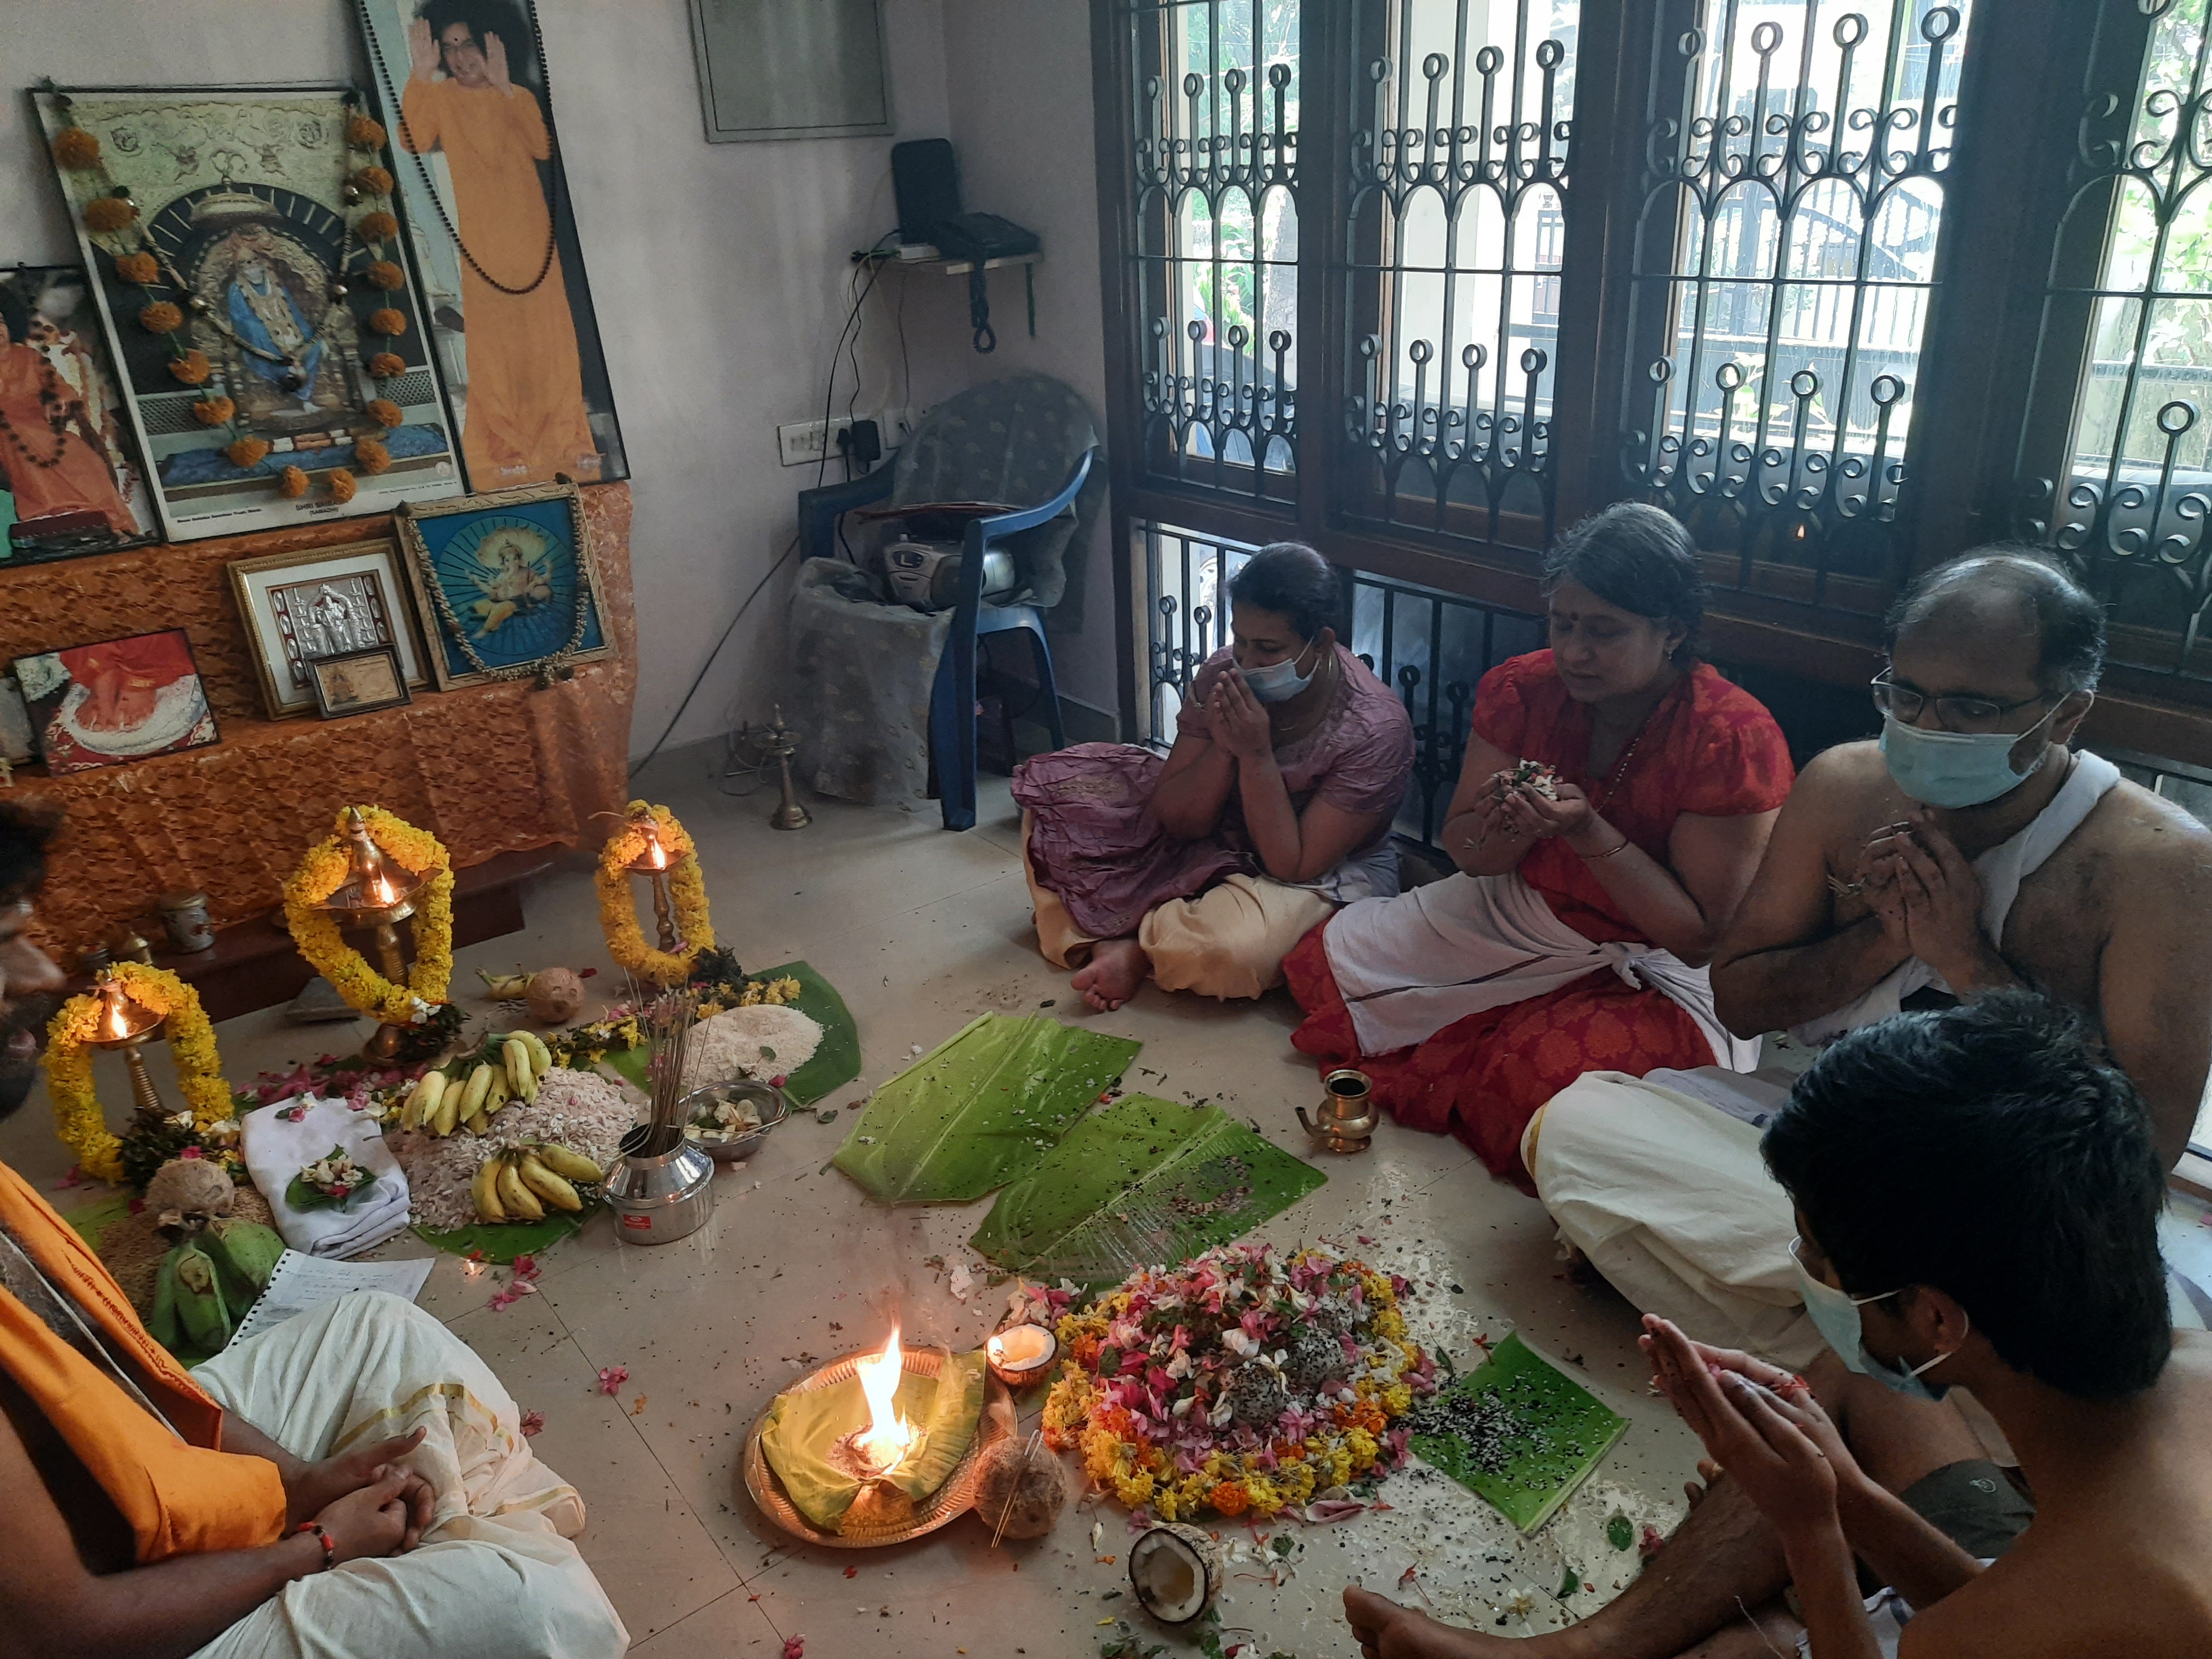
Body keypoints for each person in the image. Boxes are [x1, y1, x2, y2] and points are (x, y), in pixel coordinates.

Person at [1343, 993, 2212, 1659]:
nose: (1807, 1276)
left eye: (1819, 1260)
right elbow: (2006, 1595)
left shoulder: (2052, 1615)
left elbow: (1998, 1619)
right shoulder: (2193, 1366)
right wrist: (1846, 1494)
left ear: (1937, 1317)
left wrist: (1812, 1528)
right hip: (2040, 1584)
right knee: (1846, 1395)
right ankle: (1581, 1652)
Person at [1526, 548, 2212, 1356]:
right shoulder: (1845, 786)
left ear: (2065, 715)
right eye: (1906, 695)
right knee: (1576, 1127)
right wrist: (1883, 937)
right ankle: (1919, 1364)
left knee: (2107, 1321)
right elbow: (1739, 999)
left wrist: (1966, 960)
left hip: (2012, 1193)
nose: (1927, 728)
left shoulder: (2160, 863)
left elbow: (2143, 1148)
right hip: (1834, 1141)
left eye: (1970, 708)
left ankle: (1857, 1345)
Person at [0, 798, 627, 1659]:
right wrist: (321, 1544)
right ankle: (482, 1567)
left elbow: (129, 1380)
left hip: (118, 1481)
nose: (40, 972)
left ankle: (462, 1554)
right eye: (1, 943)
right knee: (528, 1609)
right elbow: (69, 1630)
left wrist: (301, 1482)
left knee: (381, 1328)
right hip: (99, 1626)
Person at [1283, 503, 1794, 1184]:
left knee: (1535, 1085)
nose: (1575, 652)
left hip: (1655, 963)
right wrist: (1506, 828)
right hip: (1523, 908)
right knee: (1320, 964)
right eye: (1563, 623)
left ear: (1671, 632)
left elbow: (1698, 938)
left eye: (1604, 632)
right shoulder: (1524, 689)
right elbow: (1469, 853)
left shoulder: (1727, 737)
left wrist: (1586, 831)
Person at [1015, 541, 1414, 1011]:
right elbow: (1175, 817)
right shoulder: (1224, 671)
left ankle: (1128, 943)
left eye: (1269, 649)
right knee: (1056, 802)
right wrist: (1224, 748)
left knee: (1228, 953)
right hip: (1221, 832)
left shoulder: (1374, 728)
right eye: (1240, 640)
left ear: (1322, 642)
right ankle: (1141, 935)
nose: (1247, 662)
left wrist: (1256, 755)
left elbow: (1292, 865)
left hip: (1314, 869)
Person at [402, 0, 602, 487]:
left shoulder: (518, 96)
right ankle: (505, 443)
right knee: (496, 346)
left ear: (492, 42)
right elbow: (414, 139)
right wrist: (420, 75)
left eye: (468, 43)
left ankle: (564, 439)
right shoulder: (441, 96)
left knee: (548, 338)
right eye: (449, 48)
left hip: (533, 242)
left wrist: (506, 87)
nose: (460, 57)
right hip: (484, 246)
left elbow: (540, 145)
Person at [0, 288, 139, 539]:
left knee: (83, 457)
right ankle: (54, 514)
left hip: (41, 422)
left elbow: (60, 386)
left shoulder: (29, 356)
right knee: (24, 443)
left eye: (0, 321)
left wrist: (60, 401)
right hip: (6, 428)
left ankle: (108, 518)